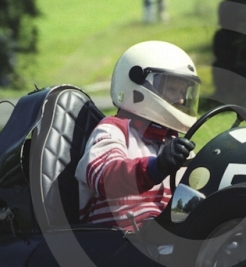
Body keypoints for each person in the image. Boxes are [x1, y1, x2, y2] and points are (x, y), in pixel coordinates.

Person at [75, 41, 199, 232]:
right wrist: (155, 167)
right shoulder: (113, 130)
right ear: (138, 86)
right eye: (172, 89)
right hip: (115, 242)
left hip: (162, 239)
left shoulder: (173, 143)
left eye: (183, 92)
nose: (181, 99)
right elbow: (107, 180)